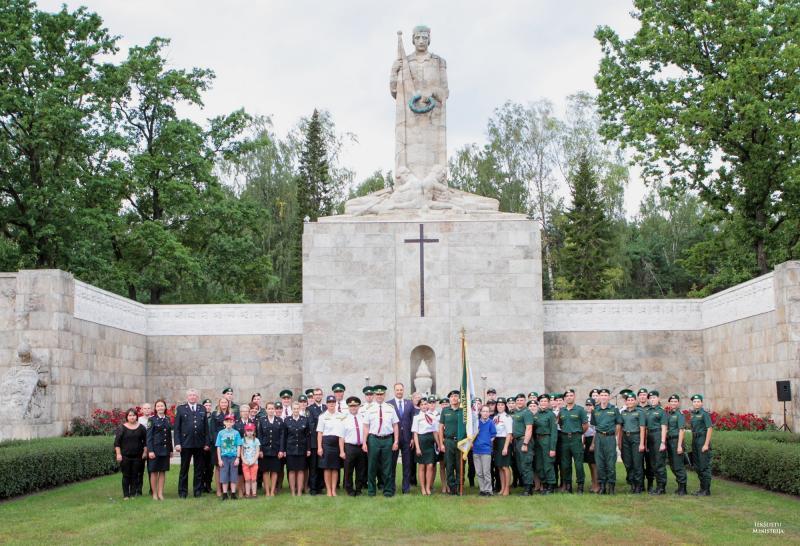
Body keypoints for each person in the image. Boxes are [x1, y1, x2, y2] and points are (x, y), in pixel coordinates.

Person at [363, 385, 400, 497]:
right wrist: (364, 442)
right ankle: (371, 491)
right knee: (372, 466)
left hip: (387, 439)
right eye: (377, 394)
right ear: (374, 395)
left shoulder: (390, 408)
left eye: (381, 394)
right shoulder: (369, 409)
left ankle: (388, 491)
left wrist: (396, 441)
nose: (379, 396)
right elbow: (366, 427)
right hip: (373, 439)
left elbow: (395, 426)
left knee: (387, 466)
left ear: (384, 395)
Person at [173, 388, 209, 498]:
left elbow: (206, 428)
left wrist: (206, 443)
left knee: (199, 469)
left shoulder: (202, 408)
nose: (192, 397)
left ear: (197, 397)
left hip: (199, 444)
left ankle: (197, 491)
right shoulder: (181, 409)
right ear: (187, 397)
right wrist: (177, 443)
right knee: (184, 469)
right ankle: (183, 492)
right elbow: (177, 428)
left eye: (194, 395)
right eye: (190, 395)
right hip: (185, 444)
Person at [590, 388, 622, 494]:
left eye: (605, 395)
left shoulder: (614, 409)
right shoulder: (595, 410)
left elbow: (618, 424)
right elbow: (595, 427)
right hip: (599, 438)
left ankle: (611, 487)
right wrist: (594, 442)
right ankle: (602, 486)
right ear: (599, 397)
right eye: (602, 395)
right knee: (600, 463)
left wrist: (614, 436)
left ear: (608, 397)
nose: (603, 397)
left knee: (610, 463)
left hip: (610, 438)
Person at [558, 388, 588, 494]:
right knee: (565, 464)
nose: (569, 397)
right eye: (567, 396)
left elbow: (585, 425)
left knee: (579, 464)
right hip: (564, 439)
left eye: (571, 395)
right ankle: (568, 486)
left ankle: (580, 486)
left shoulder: (580, 410)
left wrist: (578, 433)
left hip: (576, 438)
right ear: (565, 398)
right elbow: (560, 424)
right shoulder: (562, 410)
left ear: (574, 396)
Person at [388, 382, 415, 494]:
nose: (399, 391)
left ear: (403, 391)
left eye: (401, 390)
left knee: (407, 464)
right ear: (394, 391)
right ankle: (391, 487)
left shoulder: (409, 403)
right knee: (392, 464)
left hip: (407, 438)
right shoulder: (389, 404)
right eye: (397, 390)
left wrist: (413, 437)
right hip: (394, 438)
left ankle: (406, 488)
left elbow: (414, 421)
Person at [114, 408, 147, 500]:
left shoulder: (141, 428)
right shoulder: (121, 428)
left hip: (138, 456)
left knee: (135, 475)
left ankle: (132, 494)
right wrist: (118, 454)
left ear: (136, 416)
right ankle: (126, 495)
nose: (132, 417)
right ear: (127, 417)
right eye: (130, 415)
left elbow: (146, 442)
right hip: (125, 456)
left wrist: (145, 452)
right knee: (126, 475)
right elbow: (117, 443)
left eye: (133, 415)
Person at [317, 395, 346, 497]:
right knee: (327, 468)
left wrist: (342, 450)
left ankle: (334, 490)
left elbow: (342, 433)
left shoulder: (341, 416)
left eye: (333, 402)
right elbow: (320, 433)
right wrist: (319, 447)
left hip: (337, 443)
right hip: (326, 443)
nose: (331, 404)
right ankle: (328, 490)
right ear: (327, 404)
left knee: (335, 468)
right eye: (329, 402)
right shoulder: (322, 416)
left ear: (335, 403)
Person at [620, 392, 647, 493]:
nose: (630, 402)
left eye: (632, 400)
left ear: (635, 401)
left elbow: (642, 428)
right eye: (628, 400)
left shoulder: (640, 412)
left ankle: (638, 485)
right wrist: (620, 442)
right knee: (628, 462)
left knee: (637, 463)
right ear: (626, 402)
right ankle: (632, 483)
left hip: (636, 437)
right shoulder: (623, 413)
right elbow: (621, 427)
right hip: (626, 438)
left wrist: (641, 443)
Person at [256, 401, 284, 497]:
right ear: (266, 410)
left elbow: (282, 437)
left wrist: (281, 450)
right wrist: (260, 450)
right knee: (265, 471)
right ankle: (267, 491)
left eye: (273, 408)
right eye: (269, 408)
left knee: (274, 471)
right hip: (265, 449)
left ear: (275, 410)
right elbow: (259, 436)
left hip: (276, 450)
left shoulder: (279, 420)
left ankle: (272, 491)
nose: (271, 410)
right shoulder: (262, 420)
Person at [438, 389, 463, 495]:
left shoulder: (463, 411)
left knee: (460, 465)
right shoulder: (445, 411)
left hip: (461, 442)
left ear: (459, 398)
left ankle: (459, 487)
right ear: (449, 399)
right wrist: (441, 443)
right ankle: (452, 487)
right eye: (452, 397)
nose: (454, 398)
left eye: (456, 396)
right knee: (449, 465)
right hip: (448, 441)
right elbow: (440, 428)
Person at [411, 396, 438, 496]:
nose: (424, 406)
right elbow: (415, 433)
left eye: (425, 404)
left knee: (430, 465)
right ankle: (422, 488)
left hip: (430, 442)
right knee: (422, 466)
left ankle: (428, 487)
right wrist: (417, 447)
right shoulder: (416, 418)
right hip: (421, 442)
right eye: (421, 404)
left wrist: (438, 444)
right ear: (419, 406)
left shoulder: (432, 417)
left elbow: (435, 431)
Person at [283, 401, 311, 496]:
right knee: (291, 470)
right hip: (290, 449)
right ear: (292, 409)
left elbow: (307, 436)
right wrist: (283, 450)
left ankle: (299, 491)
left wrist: (308, 449)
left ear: (300, 409)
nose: (295, 410)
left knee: (300, 470)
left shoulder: (304, 420)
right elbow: (284, 436)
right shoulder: (287, 420)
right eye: (294, 408)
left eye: (297, 408)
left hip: (302, 449)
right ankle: (292, 492)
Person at [146, 399, 172, 500]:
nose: (160, 407)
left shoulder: (167, 419)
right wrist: (150, 451)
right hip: (155, 450)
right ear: (155, 408)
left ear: (165, 407)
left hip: (165, 450)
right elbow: (149, 437)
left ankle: (161, 493)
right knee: (153, 472)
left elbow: (169, 436)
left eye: (162, 406)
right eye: (158, 406)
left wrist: (170, 450)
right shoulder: (151, 420)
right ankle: (154, 493)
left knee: (162, 471)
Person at [342, 396, 368, 496]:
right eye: (351, 406)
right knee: (348, 469)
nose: (353, 408)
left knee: (360, 469)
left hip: (361, 446)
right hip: (350, 446)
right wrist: (342, 451)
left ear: (358, 406)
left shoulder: (363, 417)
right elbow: (341, 436)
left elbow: (366, 431)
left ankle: (359, 489)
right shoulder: (344, 419)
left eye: (355, 406)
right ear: (348, 407)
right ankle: (349, 489)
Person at [532, 394, 557, 495]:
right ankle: (544, 484)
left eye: (545, 401)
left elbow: (554, 432)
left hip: (547, 439)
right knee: (539, 465)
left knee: (548, 464)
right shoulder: (536, 414)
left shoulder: (551, 415)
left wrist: (552, 448)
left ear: (548, 403)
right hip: (537, 441)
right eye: (541, 401)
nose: (543, 403)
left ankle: (551, 485)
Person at [645, 390, 668, 495]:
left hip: (658, 435)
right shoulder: (648, 411)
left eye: (654, 398)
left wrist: (663, 442)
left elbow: (664, 427)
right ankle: (658, 486)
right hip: (650, 436)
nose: (652, 400)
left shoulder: (661, 411)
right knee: (653, 463)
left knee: (659, 462)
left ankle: (661, 487)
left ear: (658, 398)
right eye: (651, 398)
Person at [510, 393, 534, 496]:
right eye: (518, 400)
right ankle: (526, 487)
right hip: (516, 441)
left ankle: (528, 489)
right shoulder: (515, 412)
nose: (519, 402)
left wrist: (525, 443)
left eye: (521, 400)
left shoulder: (527, 412)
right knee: (520, 465)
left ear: (525, 401)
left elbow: (529, 428)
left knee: (526, 465)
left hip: (524, 441)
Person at [690, 394, 713, 496]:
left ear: (701, 403)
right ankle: (702, 488)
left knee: (704, 466)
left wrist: (706, 444)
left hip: (702, 441)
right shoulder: (693, 415)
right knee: (697, 466)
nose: (696, 403)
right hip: (695, 441)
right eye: (694, 402)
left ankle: (706, 490)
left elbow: (709, 428)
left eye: (698, 401)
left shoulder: (704, 414)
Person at [215, 413, 242, 500]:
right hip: (224, 457)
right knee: (224, 475)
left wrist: (238, 458)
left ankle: (233, 493)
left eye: (231, 421)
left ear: (233, 423)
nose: (229, 423)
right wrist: (219, 459)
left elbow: (238, 445)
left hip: (233, 457)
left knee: (233, 475)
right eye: (227, 421)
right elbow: (218, 446)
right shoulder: (221, 433)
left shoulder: (236, 433)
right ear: (224, 422)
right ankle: (225, 493)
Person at [665, 394, 688, 495]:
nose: (673, 403)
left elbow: (681, 430)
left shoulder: (680, 414)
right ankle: (679, 486)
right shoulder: (669, 413)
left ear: (678, 403)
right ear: (669, 403)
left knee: (678, 465)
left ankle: (683, 488)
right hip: (669, 441)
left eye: (675, 401)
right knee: (673, 465)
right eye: (672, 401)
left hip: (676, 441)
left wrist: (679, 446)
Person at [208, 397, 231, 496]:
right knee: (218, 466)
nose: (224, 404)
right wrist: (218, 442)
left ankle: (227, 488)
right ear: (219, 403)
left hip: (229, 443)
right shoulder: (215, 414)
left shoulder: (231, 414)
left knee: (228, 465)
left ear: (228, 403)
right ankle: (218, 489)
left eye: (225, 402)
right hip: (218, 444)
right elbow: (212, 430)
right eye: (222, 402)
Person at [474, 405, 497, 496]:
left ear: (489, 413)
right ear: (480, 412)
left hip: (486, 450)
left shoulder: (491, 423)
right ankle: (482, 489)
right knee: (479, 472)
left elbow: (493, 435)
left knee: (486, 471)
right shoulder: (476, 423)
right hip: (476, 450)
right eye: (483, 411)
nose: (485, 413)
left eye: (487, 411)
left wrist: (487, 442)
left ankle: (488, 490)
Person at [492, 397, 513, 496]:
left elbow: (509, 433)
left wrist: (505, 447)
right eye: (498, 405)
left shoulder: (507, 417)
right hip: (496, 442)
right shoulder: (495, 417)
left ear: (505, 406)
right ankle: (502, 488)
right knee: (499, 466)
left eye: (502, 405)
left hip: (504, 441)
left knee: (505, 466)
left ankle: (507, 489)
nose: (500, 406)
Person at [306, 387, 324, 495]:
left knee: (321, 465)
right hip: (314, 442)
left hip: (324, 442)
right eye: (316, 394)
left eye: (319, 394)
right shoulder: (309, 409)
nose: (318, 396)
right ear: (313, 396)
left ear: (322, 395)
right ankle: (313, 488)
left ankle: (320, 487)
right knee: (313, 466)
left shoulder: (326, 408)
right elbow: (311, 425)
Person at [583, 398, 599, 493]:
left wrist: (593, 443)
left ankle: (597, 484)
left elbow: (596, 430)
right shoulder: (585, 415)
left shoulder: (595, 415)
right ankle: (593, 483)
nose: (588, 407)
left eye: (590, 405)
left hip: (594, 439)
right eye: (587, 405)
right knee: (589, 463)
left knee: (594, 464)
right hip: (586, 440)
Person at [137, 402, 153, 496]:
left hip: (151, 448)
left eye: (148, 408)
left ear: (151, 410)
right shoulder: (138, 420)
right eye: (145, 408)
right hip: (140, 448)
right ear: (141, 410)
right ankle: (138, 491)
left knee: (151, 471)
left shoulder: (153, 419)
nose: (147, 410)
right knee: (139, 471)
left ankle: (152, 490)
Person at [241, 423, 260, 498]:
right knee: (247, 479)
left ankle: (254, 493)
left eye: (251, 430)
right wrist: (244, 461)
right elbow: (241, 453)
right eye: (248, 430)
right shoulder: (242, 441)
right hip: (245, 463)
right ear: (245, 431)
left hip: (254, 463)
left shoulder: (256, 440)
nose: (249, 432)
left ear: (254, 431)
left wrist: (253, 461)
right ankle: (247, 494)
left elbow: (257, 452)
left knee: (253, 479)